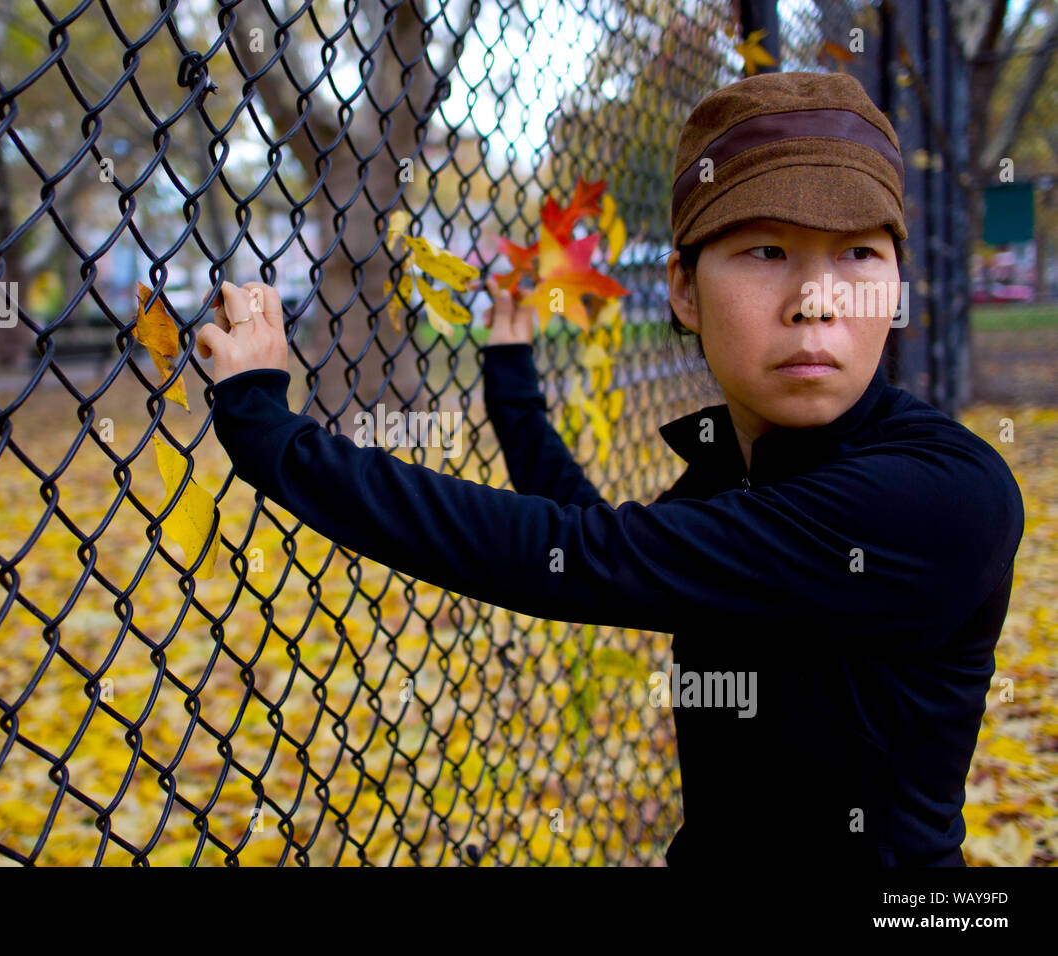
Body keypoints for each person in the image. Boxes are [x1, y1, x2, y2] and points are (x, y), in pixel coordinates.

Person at [193, 71, 1024, 867]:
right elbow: (593, 537)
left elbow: (585, 560)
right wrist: (510, 371)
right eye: (768, 249)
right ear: (684, 291)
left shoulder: (943, 497)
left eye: (857, 257)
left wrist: (273, 432)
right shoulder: (739, 476)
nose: (817, 298)